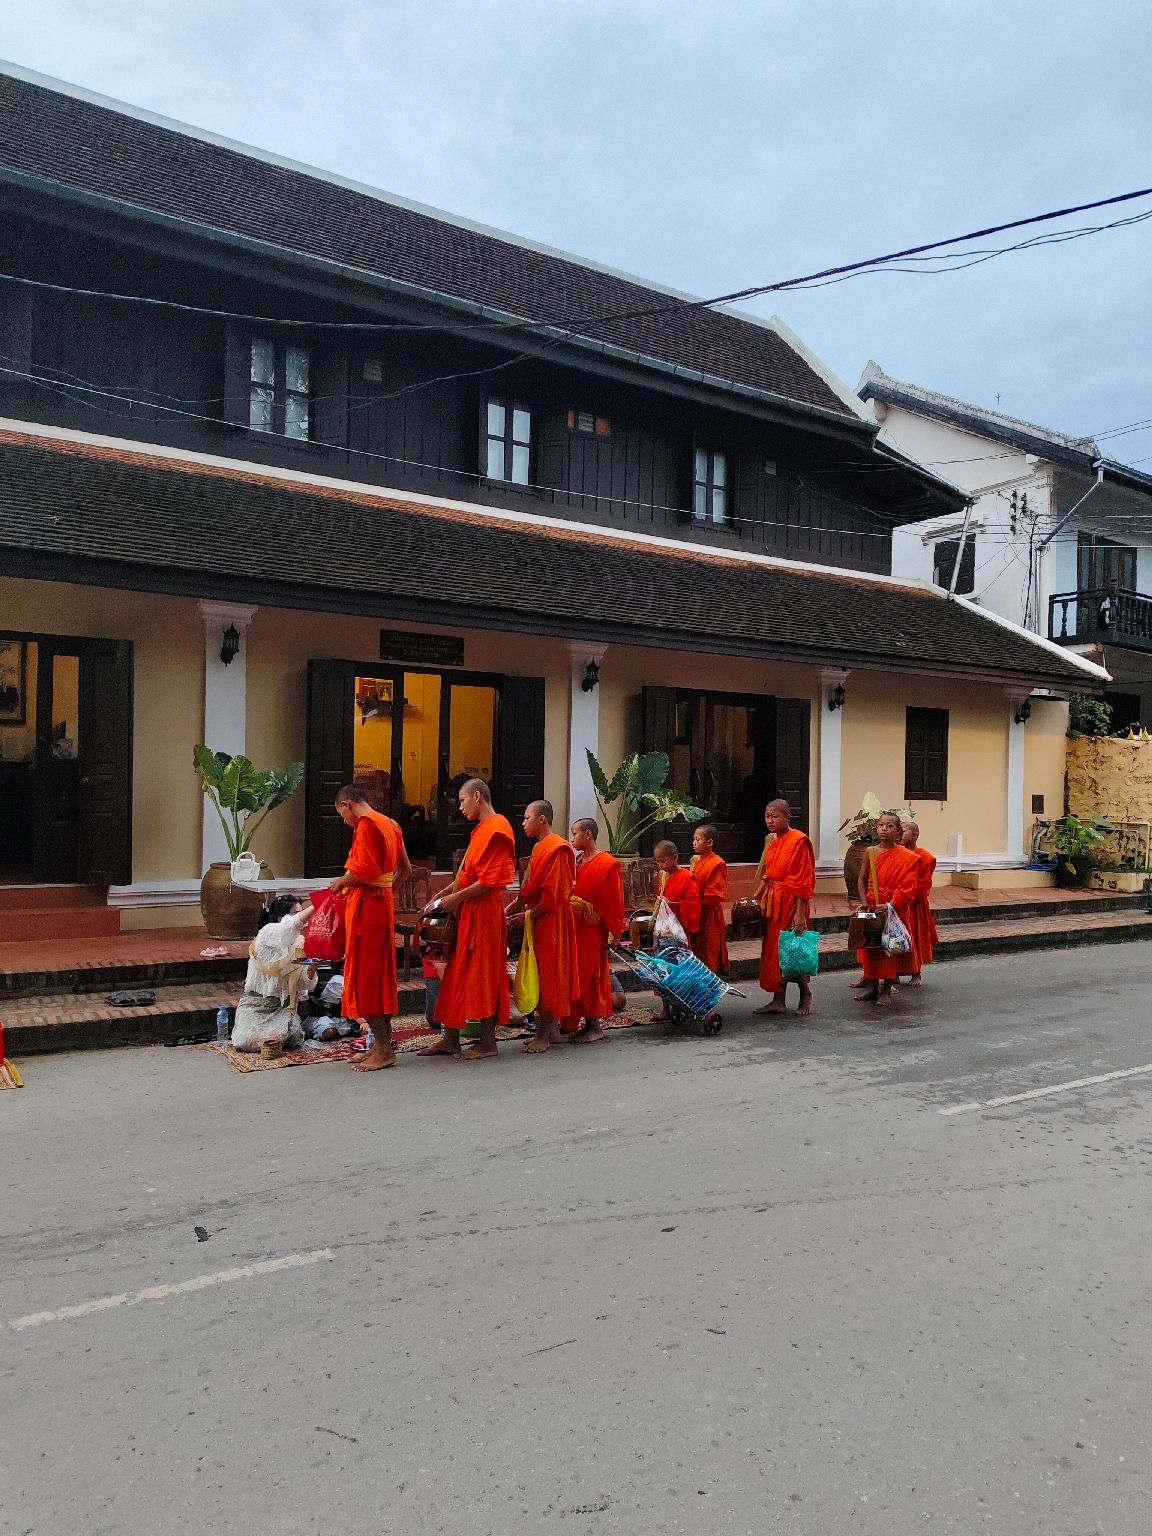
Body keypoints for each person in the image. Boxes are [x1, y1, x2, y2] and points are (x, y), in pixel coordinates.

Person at [419, 779, 517, 1061]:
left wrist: (454, 900)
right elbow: (467, 875)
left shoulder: (498, 828)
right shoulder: (481, 831)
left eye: (462, 800)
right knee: (456, 975)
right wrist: (441, 895)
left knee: (483, 975)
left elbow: (492, 880)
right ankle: (450, 1039)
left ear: (477, 796)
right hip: (469, 912)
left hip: (484, 915)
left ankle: (487, 1042)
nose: (459, 807)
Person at [329, 785, 410, 1070]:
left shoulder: (366, 824)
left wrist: (340, 882)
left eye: (341, 814)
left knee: (366, 978)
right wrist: (388, 891)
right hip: (382, 904)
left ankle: (385, 1049)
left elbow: (364, 871)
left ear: (347, 805)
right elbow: (405, 869)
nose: (344, 821)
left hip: (367, 908)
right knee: (378, 976)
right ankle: (380, 1044)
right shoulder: (390, 824)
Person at [517, 800, 581, 1053]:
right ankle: (552, 1030)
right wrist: (514, 910)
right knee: (539, 971)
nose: (523, 823)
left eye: (527, 818)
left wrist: (531, 914)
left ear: (542, 819)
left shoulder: (559, 848)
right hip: (538, 916)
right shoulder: (538, 848)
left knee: (549, 974)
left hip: (552, 918)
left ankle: (543, 1034)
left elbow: (554, 895)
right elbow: (527, 887)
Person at [563, 817, 626, 1044]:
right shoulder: (579, 861)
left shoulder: (607, 863)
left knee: (591, 976)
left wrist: (615, 932)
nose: (572, 839)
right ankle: (582, 1023)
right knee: (577, 976)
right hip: (575, 928)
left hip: (592, 929)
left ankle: (595, 1026)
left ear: (588, 834)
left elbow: (614, 900)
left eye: (575, 834)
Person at [753, 799, 816, 1017]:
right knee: (773, 952)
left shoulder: (799, 841)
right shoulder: (773, 841)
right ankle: (778, 1000)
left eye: (775, 816)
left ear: (787, 817)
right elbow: (768, 873)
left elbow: (804, 880)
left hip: (792, 901)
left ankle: (805, 993)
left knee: (791, 949)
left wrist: (800, 915)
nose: (770, 820)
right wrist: (755, 897)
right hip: (773, 900)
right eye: (767, 816)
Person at [231, 894, 314, 1052]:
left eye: (301, 913)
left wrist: (312, 969)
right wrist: (317, 905)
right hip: (255, 1004)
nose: (303, 919)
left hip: (282, 1008)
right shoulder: (267, 933)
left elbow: (304, 983)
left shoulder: (299, 943)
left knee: (291, 1036)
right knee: (245, 1042)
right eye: (296, 913)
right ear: (280, 918)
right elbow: (289, 927)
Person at [855, 811, 920, 1007]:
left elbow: (910, 886)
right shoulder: (870, 851)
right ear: (876, 828)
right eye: (882, 825)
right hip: (874, 904)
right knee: (871, 947)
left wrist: (891, 904)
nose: (885, 829)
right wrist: (864, 901)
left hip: (894, 907)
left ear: (898, 831)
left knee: (889, 947)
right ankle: (873, 988)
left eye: (890, 826)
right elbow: (861, 879)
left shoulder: (907, 857)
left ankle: (886, 989)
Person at [902, 818, 938, 986]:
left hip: (915, 904)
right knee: (895, 938)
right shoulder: (896, 853)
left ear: (914, 835)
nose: (899, 833)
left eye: (903, 831)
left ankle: (916, 973)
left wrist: (905, 895)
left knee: (915, 937)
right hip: (897, 903)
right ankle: (892, 974)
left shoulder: (926, 858)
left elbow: (923, 885)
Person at [690, 823, 729, 976]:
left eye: (698, 840)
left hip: (709, 913)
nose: (694, 843)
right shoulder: (696, 861)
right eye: (693, 839)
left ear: (710, 842)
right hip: (695, 911)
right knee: (696, 951)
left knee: (708, 950)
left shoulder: (717, 863)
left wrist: (697, 905)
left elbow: (715, 894)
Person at [653, 839, 701, 939]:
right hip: (665, 923)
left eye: (663, 861)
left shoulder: (687, 877)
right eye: (657, 861)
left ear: (675, 857)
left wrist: (671, 904)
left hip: (680, 926)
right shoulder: (662, 874)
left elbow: (693, 904)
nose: (660, 865)